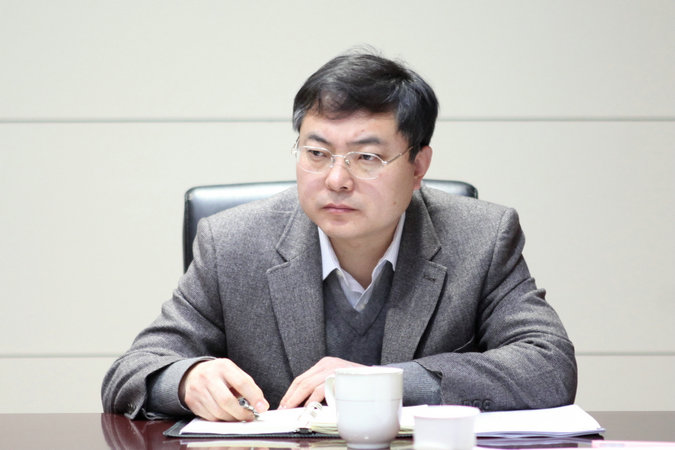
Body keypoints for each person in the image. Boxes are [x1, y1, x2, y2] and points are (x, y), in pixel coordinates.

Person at [101, 50, 577, 421]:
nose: (336, 179)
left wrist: (385, 382)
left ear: (418, 167)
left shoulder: (480, 238)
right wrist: (187, 378)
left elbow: (548, 365)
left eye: (366, 157)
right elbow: (132, 371)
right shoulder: (232, 244)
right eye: (317, 153)